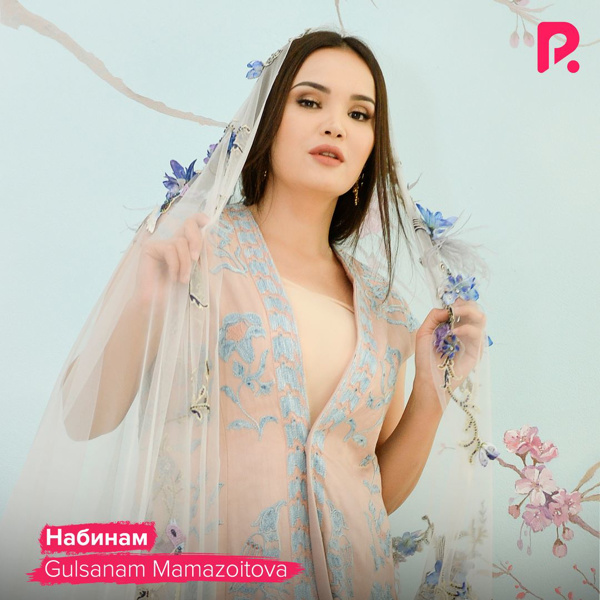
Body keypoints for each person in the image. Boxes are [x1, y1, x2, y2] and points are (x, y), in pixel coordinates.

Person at [0, 29, 492, 600]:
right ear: (267, 120)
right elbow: (82, 418)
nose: (335, 125)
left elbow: (368, 494)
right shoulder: (191, 249)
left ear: (371, 148)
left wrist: (431, 391)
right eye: (310, 101)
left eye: (359, 114)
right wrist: (144, 305)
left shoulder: (385, 307)